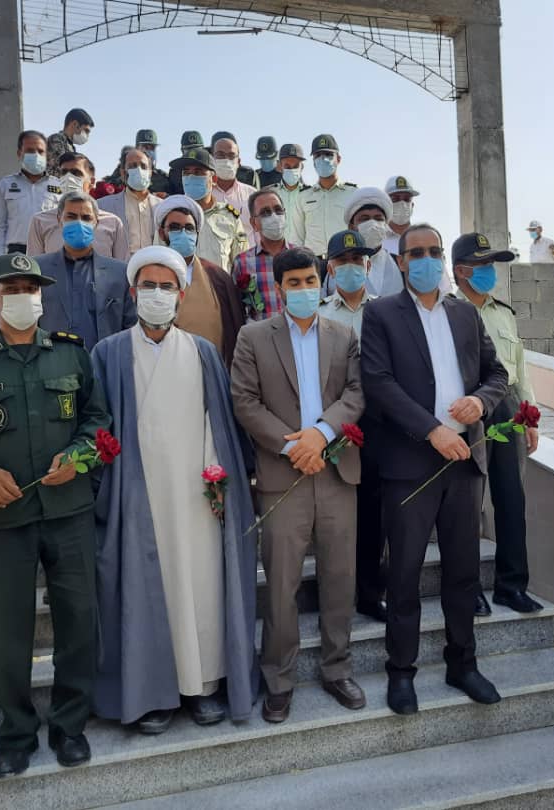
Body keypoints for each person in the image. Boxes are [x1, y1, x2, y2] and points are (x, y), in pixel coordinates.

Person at [0, 253, 110, 778]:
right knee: (7, 632)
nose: (23, 297)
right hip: (3, 520)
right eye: (11, 289)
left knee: (78, 620)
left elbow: (97, 418)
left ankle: (69, 726)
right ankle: (16, 733)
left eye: (31, 288)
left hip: (68, 512)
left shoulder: (71, 354)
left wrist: (78, 455)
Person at [90, 245, 258, 734]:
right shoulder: (108, 353)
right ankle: (151, 694)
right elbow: (98, 426)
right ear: (133, 292)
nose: (158, 294)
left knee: (200, 588)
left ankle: (202, 686)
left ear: (181, 296)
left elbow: (218, 422)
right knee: (144, 592)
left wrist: (217, 477)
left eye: (167, 287)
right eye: (149, 285)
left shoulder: (202, 351)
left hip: (197, 495)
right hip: (137, 495)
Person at [360, 223, 509, 716]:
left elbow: (496, 373)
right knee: (404, 574)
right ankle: (401, 671)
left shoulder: (464, 314)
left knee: (463, 571)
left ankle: (462, 663)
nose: (426, 260)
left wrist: (479, 403)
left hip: (464, 461)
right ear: (401, 261)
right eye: (416, 253)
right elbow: (378, 383)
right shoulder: (381, 314)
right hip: (410, 464)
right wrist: (432, 430)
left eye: (433, 252)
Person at [230, 246, 366, 724]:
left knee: (339, 577)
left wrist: (322, 434)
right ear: (279, 288)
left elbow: (356, 393)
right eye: (295, 283)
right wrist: (295, 448)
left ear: (320, 281)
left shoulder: (343, 334)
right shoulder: (253, 336)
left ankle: (337, 668)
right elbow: (244, 401)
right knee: (282, 583)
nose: (305, 289)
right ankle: (279, 679)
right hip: (282, 474)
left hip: (336, 473)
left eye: (311, 280)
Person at [450, 232, 543, 616]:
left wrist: (529, 416)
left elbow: (519, 368)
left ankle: (512, 585)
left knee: (511, 499)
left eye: (492, 264)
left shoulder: (504, 313)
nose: (490, 271)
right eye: (482, 264)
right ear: (461, 271)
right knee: (466, 506)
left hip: (505, 409)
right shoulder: (446, 313)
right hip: (464, 410)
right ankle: (467, 587)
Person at [318, 230, 386, 622]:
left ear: (369, 266)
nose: (350, 267)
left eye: (357, 261)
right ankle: (334, 593)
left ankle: (371, 592)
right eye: (342, 262)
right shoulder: (320, 313)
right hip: (334, 424)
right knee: (334, 515)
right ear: (330, 269)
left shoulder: (387, 311)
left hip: (378, 425)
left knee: (374, 512)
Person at [153, 194, 246, 367]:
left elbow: (234, 332)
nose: (183, 233)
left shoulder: (218, 278)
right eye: (175, 227)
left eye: (189, 228)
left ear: (197, 233)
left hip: (211, 370)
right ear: (161, 233)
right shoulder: (148, 277)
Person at [36, 191, 135, 350]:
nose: (79, 223)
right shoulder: (38, 270)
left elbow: (130, 327)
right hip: (52, 361)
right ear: (59, 220)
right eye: (71, 217)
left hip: (102, 361)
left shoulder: (120, 273)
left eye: (86, 218)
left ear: (96, 223)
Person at [26, 154, 129, 261]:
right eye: (64, 172)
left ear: (91, 182)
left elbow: (122, 267)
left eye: (76, 173)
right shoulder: (40, 221)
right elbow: (34, 266)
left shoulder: (113, 223)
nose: (68, 178)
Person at [168, 147, 248, 272]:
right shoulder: (170, 217)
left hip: (218, 284)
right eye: (186, 173)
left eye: (198, 172)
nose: (191, 177)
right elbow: (159, 259)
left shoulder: (229, 217)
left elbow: (242, 265)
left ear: (214, 179)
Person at [0, 130, 60, 262]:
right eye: (30, 151)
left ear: (46, 155)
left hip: (49, 252)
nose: (36, 155)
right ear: (19, 154)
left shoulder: (59, 187)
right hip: (16, 255)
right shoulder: (5, 185)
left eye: (40, 151)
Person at [290, 134, 358, 258]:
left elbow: (359, 231)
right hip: (314, 261)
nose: (323, 159)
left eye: (328, 154)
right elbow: (297, 238)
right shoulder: (303, 197)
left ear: (338, 159)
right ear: (313, 162)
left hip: (344, 259)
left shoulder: (353, 194)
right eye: (318, 155)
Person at [232, 189, 290, 321]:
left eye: (278, 210)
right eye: (265, 212)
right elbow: (238, 310)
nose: (274, 216)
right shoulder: (242, 263)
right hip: (261, 333)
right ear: (254, 224)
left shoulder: (302, 256)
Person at [98, 148, 160, 252]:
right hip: (121, 262)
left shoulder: (162, 206)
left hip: (154, 260)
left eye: (143, 166)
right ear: (122, 173)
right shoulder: (103, 206)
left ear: (150, 172)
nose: (139, 170)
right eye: (133, 166)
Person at [210, 136, 257, 246]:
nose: (226, 160)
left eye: (231, 155)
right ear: (212, 159)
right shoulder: (203, 194)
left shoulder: (252, 195)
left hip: (246, 255)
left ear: (238, 161)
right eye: (220, 155)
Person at [46, 108, 94, 177]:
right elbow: (59, 170)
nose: (87, 136)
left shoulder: (69, 145)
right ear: (75, 124)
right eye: (86, 131)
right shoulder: (57, 140)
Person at [275, 143, 307, 242]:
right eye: (287, 166)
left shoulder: (310, 195)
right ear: (279, 166)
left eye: (296, 166)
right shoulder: (271, 194)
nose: (292, 170)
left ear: (302, 167)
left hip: (302, 250)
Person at [382, 175, 418, 258]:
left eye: (407, 199)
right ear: (386, 205)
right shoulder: (377, 239)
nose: (402, 204)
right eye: (395, 199)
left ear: (412, 205)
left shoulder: (422, 238)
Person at [135, 129, 171, 197]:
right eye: (145, 147)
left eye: (152, 148)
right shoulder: (126, 174)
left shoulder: (164, 178)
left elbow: (174, 197)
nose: (149, 151)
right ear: (137, 148)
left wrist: (165, 197)